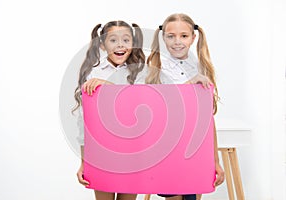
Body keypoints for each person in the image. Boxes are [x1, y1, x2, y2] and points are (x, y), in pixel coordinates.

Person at [146, 13, 225, 200]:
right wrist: (189, 84)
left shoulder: (199, 67)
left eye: (183, 36)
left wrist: (215, 160)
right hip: (168, 151)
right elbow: (159, 108)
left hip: (195, 151)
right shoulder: (157, 68)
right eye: (170, 36)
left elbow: (207, 121)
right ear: (163, 37)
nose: (177, 41)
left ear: (193, 38)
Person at [72, 20, 146, 200]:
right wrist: (84, 161)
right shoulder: (93, 73)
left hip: (133, 152)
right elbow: (85, 121)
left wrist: (109, 86)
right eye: (113, 40)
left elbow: (139, 107)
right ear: (103, 45)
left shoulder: (141, 73)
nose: (120, 45)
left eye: (126, 40)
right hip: (101, 153)